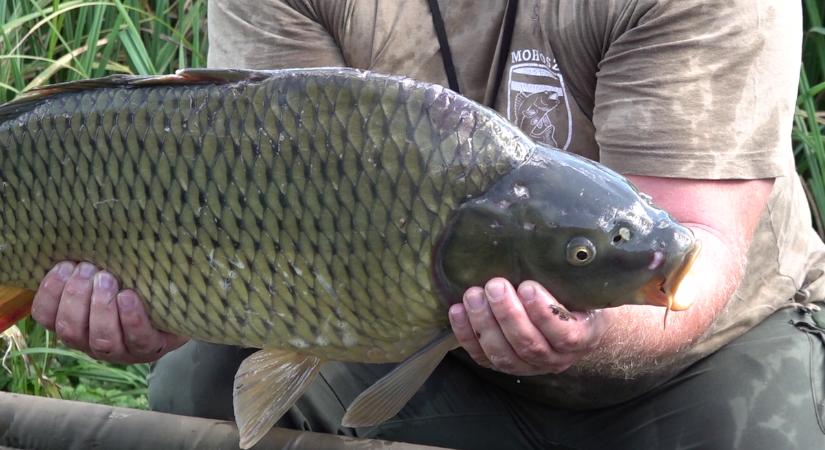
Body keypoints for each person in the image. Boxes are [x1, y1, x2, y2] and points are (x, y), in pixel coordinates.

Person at [30, 1, 825, 448]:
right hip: (413, 332)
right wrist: (170, 297)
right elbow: (258, 204)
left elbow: (693, 245)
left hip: (704, 354)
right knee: (198, 384)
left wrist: (585, 335)